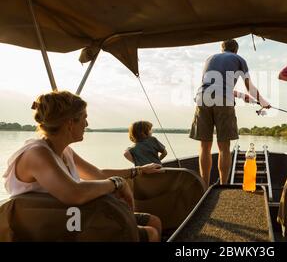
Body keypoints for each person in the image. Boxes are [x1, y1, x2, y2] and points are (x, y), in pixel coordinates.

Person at [2, 91, 163, 242]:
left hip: (74, 218)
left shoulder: (64, 151)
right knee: (151, 232)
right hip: (54, 228)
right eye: (84, 118)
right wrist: (117, 183)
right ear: (70, 123)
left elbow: (98, 174)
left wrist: (139, 170)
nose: (87, 123)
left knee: (154, 221)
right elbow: (74, 193)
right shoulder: (37, 153)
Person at [189, 39, 270, 186]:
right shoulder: (239, 59)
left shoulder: (210, 58)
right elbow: (249, 87)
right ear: (236, 50)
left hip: (202, 97)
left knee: (204, 147)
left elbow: (214, 85)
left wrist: (239, 96)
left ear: (222, 48)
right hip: (223, 99)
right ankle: (223, 185)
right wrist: (263, 101)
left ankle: (204, 186)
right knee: (224, 147)